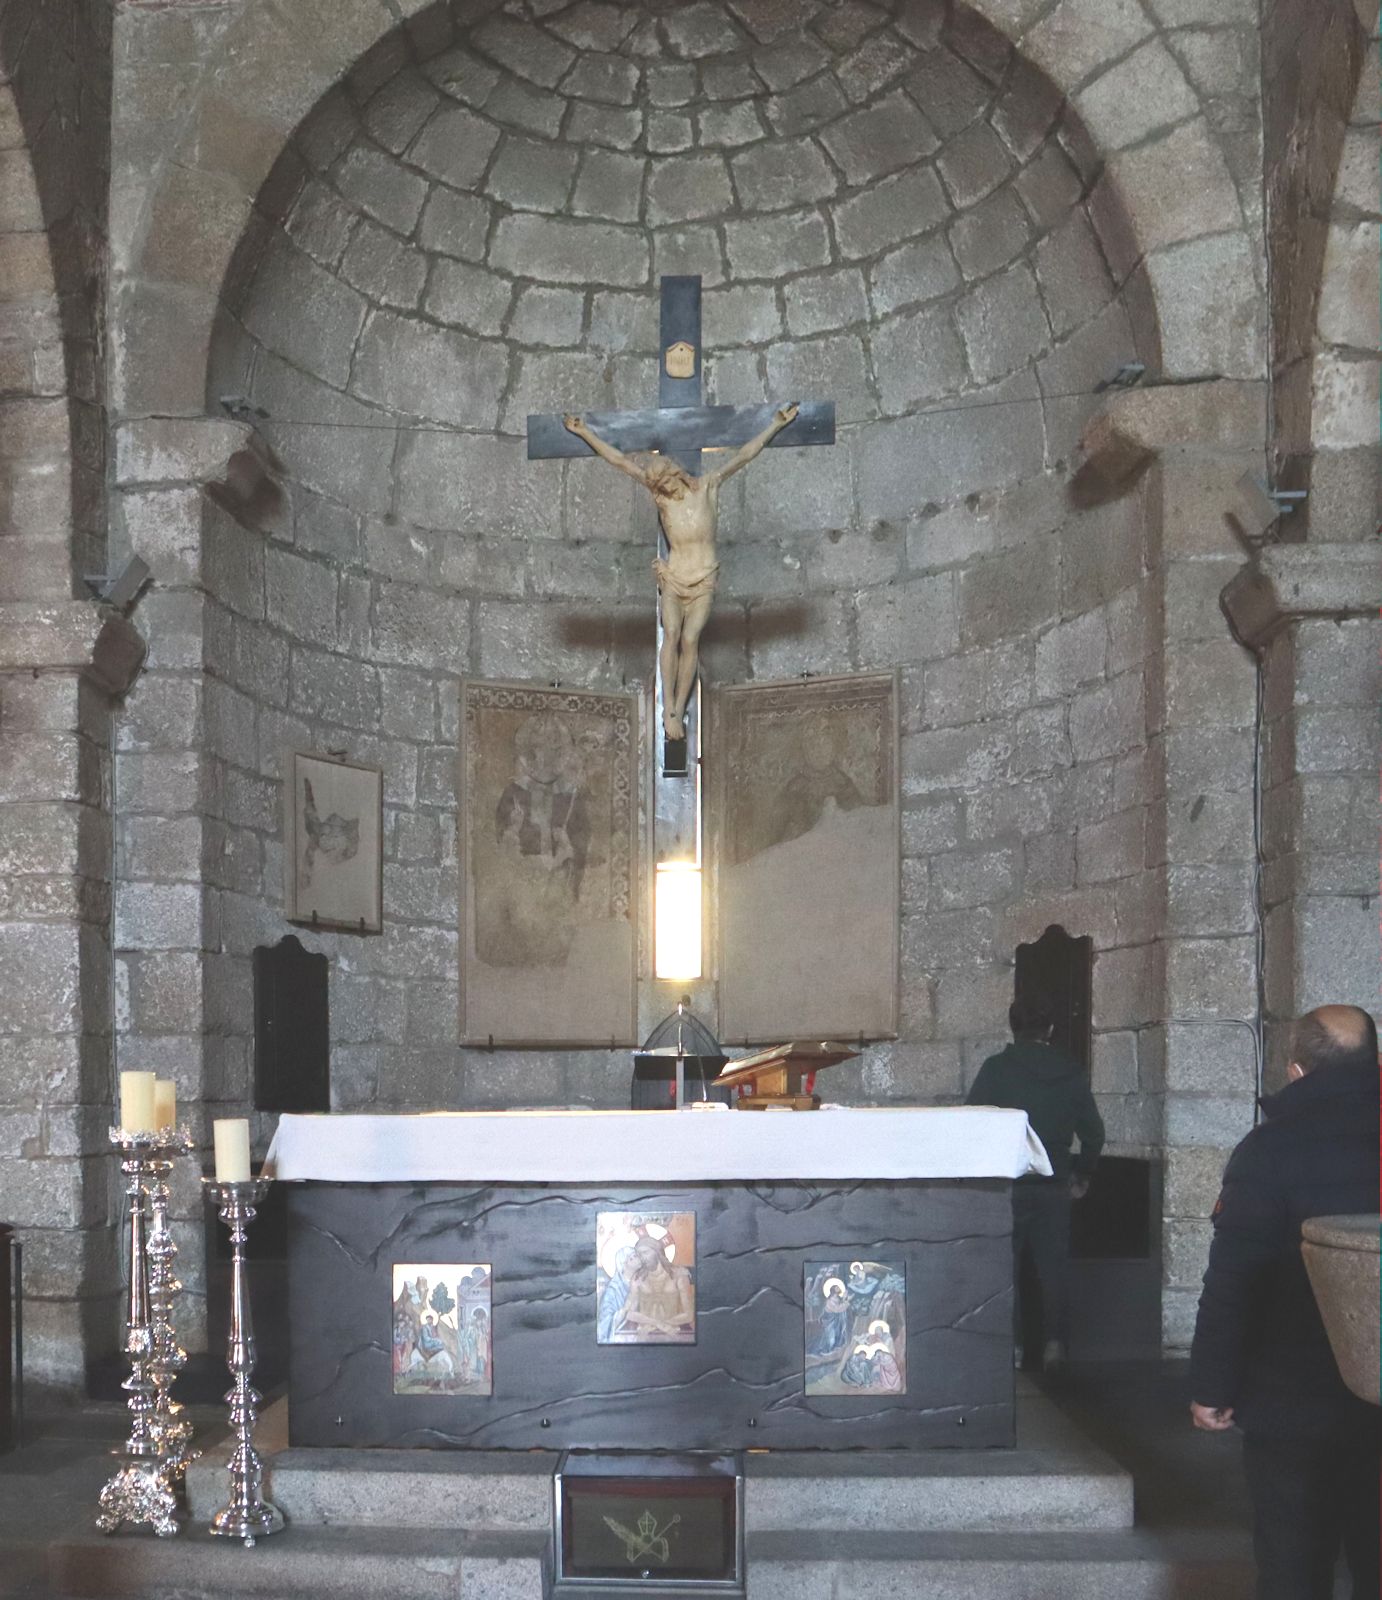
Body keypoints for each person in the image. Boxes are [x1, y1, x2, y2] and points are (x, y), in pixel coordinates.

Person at [1189, 1005, 1380, 1600]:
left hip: (1293, 1395)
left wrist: (1212, 1388)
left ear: (1296, 1071)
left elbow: (1236, 1281)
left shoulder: (1270, 1150)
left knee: (1294, 1563)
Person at [563, 404, 799, 741]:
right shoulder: (663, 499)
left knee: (690, 640)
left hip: (702, 579)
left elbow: (745, 455)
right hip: (673, 578)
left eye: (667, 481)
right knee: (671, 636)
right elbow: (619, 461)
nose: (664, 489)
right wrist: (584, 432)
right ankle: (667, 710)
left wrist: (775, 425)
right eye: (659, 485)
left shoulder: (707, 487)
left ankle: (678, 706)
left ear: (676, 474)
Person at [966, 995, 1104, 1369]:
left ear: (1012, 1026)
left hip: (1008, 1184)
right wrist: (1084, 1173)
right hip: (1054, 1183)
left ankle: (1008, 1348)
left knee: (1004, 1267)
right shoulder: (1071, 1071)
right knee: (1053, 1268)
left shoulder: (996, 1069)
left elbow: (973, 1122)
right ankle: (1054, 1343)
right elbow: (1094, 1132)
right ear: (1051, 1030)